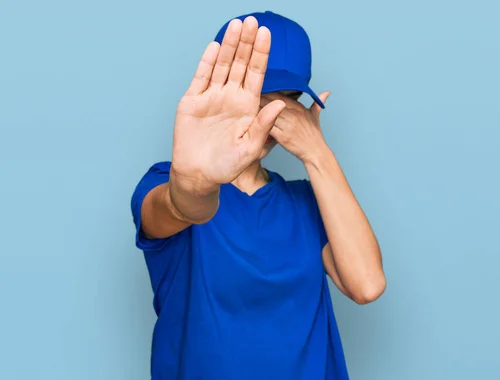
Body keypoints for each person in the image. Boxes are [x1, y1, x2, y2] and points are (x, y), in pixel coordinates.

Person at [130, 10, 386, 380]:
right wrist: (196, 182)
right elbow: (180, 205)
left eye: (288, 98)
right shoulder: (165, 180)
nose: (273, 113)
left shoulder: (309, 203)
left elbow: (366, 284)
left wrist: (317, 153)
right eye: (259, 95)